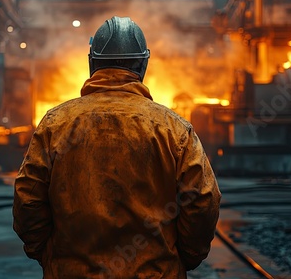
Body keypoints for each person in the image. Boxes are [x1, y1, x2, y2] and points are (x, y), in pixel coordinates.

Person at [13, 16, 221, 278]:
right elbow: (203, 200)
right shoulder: (174, 130)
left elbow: (28, 199)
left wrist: (46, 253)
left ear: (92, 63)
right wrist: (183, 257)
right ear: (143, 64)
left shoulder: (55, 125)